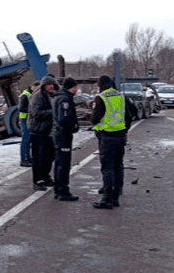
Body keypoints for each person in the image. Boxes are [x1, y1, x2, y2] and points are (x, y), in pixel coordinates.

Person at [91, 75, 137, 209]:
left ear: (100, 86)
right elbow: (130, 114)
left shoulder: (102, 97)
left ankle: (107, 199)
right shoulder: (121, 96)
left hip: (107, 136)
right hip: (121, 136)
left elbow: (95, 118)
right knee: (118, 166)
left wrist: (98, 126)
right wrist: (125, 129)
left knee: (107, 169)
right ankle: (116, 197)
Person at [27, 75, 59, 190]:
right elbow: (37, 113)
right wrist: (54, 111)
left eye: (52, 84)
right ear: (44, 86)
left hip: (50, 131)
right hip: (38, 131)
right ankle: (37, 180)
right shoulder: (38, 96)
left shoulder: (54, 96)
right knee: (38, 157)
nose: (50, 87)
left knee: (50, 156)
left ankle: (46, 176)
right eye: (48, 85)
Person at [52, 77, 80, 201]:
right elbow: (64, 118)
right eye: (75, 87)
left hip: (59, 133)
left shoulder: (58, 97)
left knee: (59, 162)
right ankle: (63, 191)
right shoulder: (65, 99)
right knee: (64, 163)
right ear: (71, 88)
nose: (77, 90)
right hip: (64, 134)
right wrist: (74, 125)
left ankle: (58, 188)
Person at [18, 81, 40, 167]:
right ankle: (24, 159)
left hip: (28, 120)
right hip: (25, 120)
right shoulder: (26, 95)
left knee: (28, 140)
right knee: (25, 140)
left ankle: (28, 158)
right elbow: (22, 108)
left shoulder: (30, 95)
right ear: (33, 87)